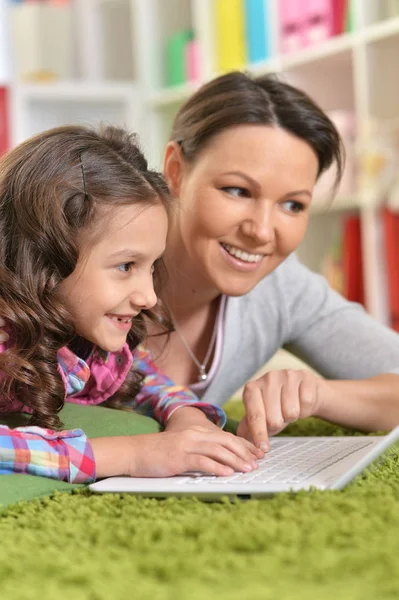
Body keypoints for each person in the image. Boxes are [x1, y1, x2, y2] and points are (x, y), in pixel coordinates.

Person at [138, 71, 399, 450]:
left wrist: (316, 394)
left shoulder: (280, 288)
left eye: (292, 205)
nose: (261, 231)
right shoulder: (91, 255)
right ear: (176, 170)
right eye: (238, 190)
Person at [0, 124, 262, 483]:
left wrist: (187, 416)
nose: (148, 297)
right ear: (45, 258)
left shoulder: (82, 335)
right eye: (126, 266)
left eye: (151, 266)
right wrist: (133, 454)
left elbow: (144, 377)